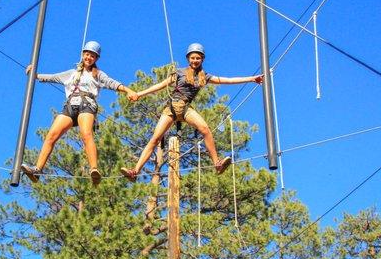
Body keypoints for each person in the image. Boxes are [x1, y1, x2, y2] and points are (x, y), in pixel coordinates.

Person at [121, 42, 263, 181]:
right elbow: (160, 85)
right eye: (193, 58)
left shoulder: (204, 76)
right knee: (155, 139)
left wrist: (251, 79)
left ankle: (217, 163)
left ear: (202, 59)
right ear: (188, 58)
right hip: (171, 108)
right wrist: (139, 94)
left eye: (198, 58)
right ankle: (135, 171)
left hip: (185, 108)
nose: (195, 60)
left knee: (205, 129)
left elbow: (227, 80)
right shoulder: (179, 72)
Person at [21, 40, 138, 185]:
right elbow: (51, 77)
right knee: (51, 136)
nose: (89, 58)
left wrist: (128, 90)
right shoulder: (71, 74)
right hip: (70, 105)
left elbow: (112, 83)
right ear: (83, 54)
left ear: (96, 59)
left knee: (86, 134)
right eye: (87, 54)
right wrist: (35, 74)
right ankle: (37, 170)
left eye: (92, 56)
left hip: (87, 105)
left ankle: (94, 169)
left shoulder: (98, 74)